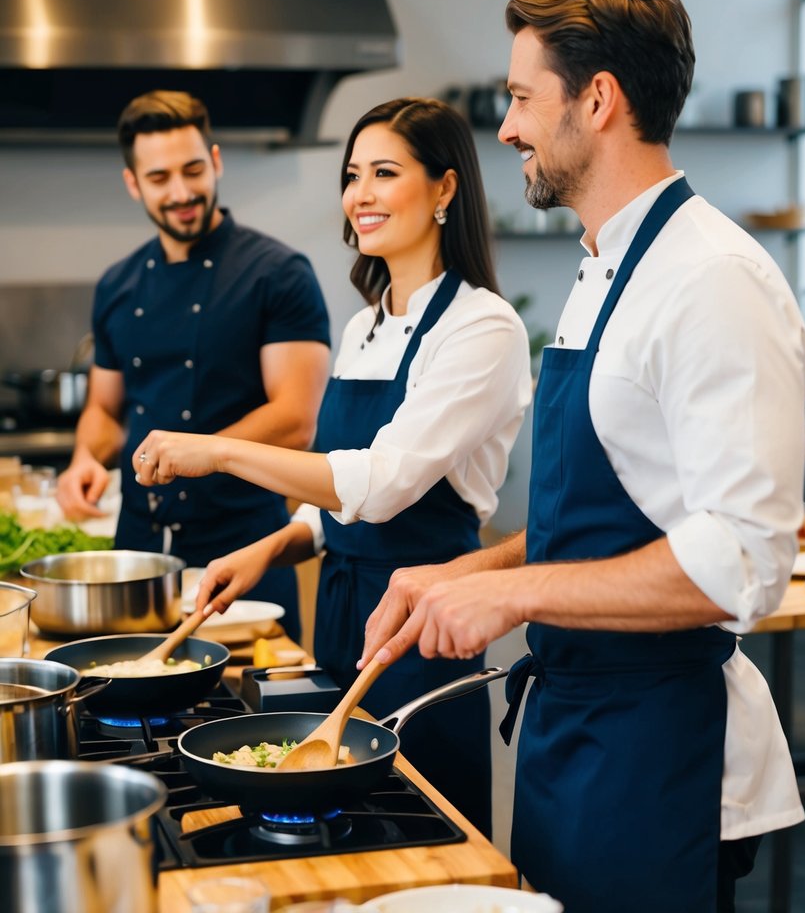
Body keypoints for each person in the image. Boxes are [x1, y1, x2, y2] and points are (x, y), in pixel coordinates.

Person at [356, 0, 805, 913]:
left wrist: (509, 593)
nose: (509, 128)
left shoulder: (712, 280)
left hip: (659, 753)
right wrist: (463, 572)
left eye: (523, 98)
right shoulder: (605, 266)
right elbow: (622, 518)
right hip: (572, 731)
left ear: (597, 99)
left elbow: (740, 562)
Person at [130, 97, 532, 835]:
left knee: (417, 829)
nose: (361, 195)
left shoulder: (483, 327)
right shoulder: (364, 325)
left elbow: (378, 486)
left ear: (445, 188)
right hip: (343, 615)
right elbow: (335, 493)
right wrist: (274, 544)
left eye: (385, 172)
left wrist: (218, 451)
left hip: (424, 624)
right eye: (353, 176)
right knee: (335, 823)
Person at [56, 90, 330, 642]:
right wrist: (85, 456)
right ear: (134, 183)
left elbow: (297, 418)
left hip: (242, 548)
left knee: (247, 718)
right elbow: (106, 411)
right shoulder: (118, 284)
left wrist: (196, 452)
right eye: (159, 179)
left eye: (193, 170)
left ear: (217, 161)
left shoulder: (278, 274)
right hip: (137, 554)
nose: (181, 192)